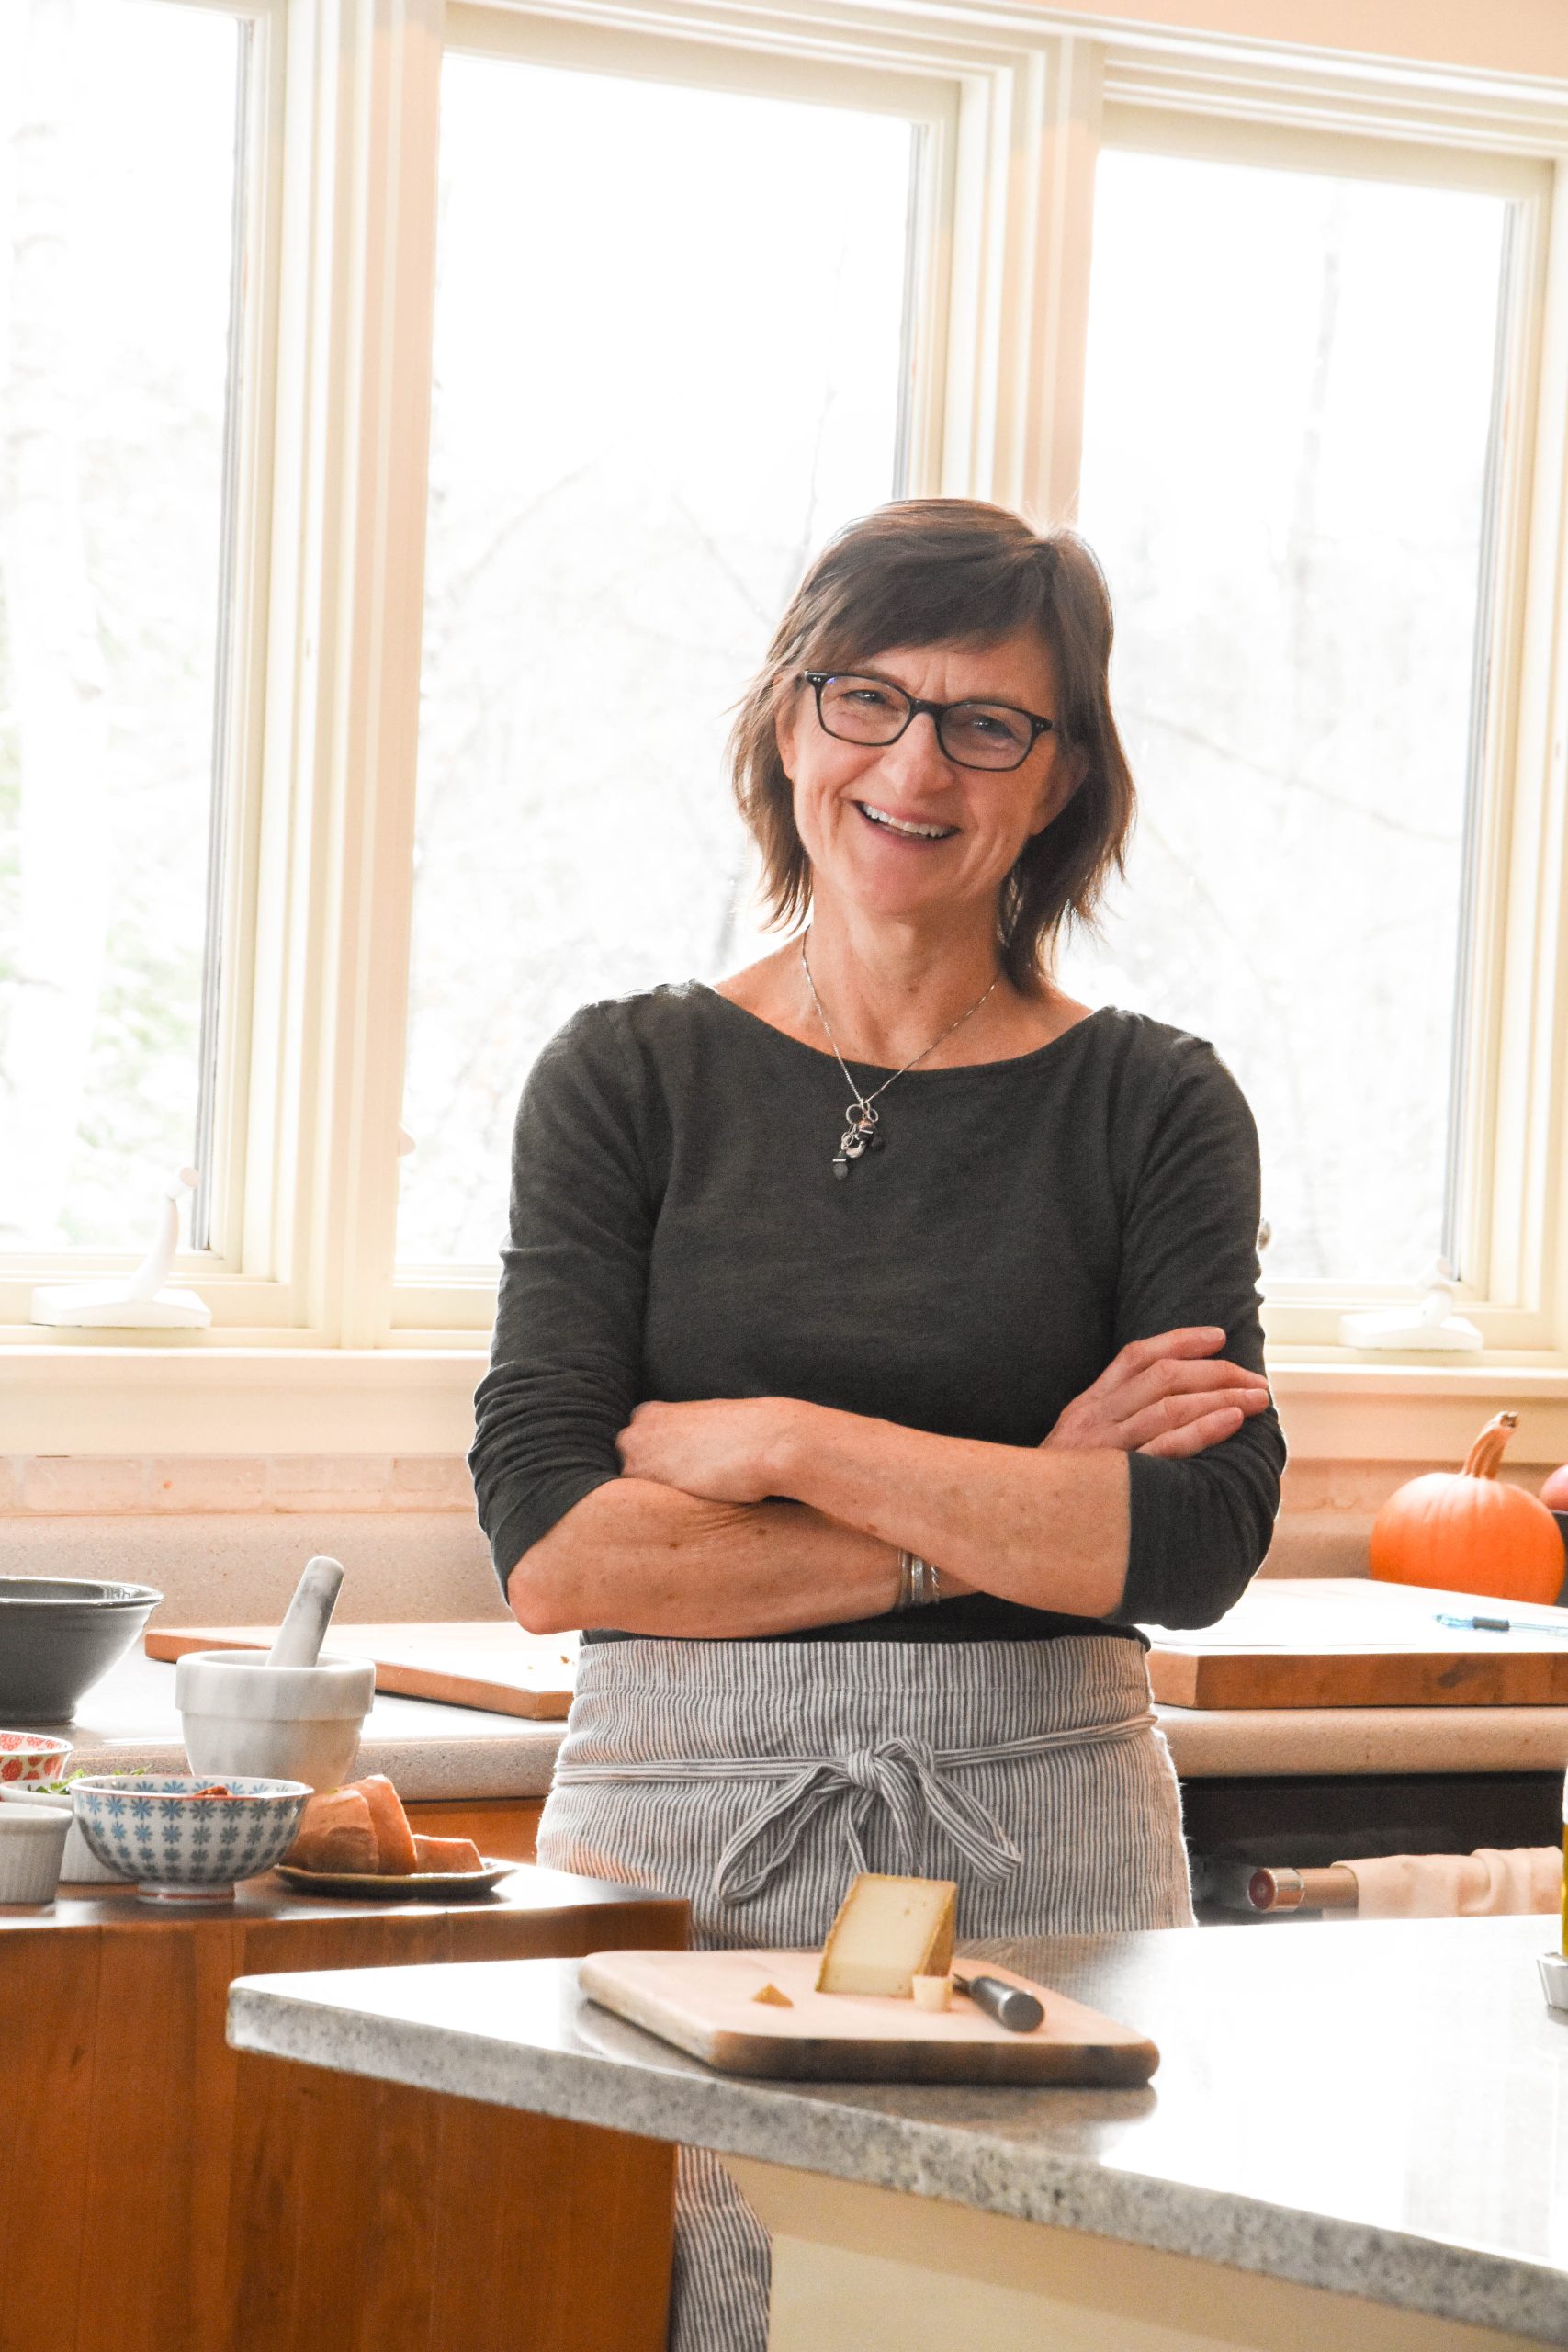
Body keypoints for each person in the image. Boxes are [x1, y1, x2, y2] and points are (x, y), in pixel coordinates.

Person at [469, 496, 1286, 2351]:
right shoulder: (624, 1078)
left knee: (1029, 2320)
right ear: (786, 721)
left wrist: (774, 1434)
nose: (916, 761)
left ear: (1059, 779)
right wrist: (1011, 1502)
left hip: (1051, 1849)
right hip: (673, 1844)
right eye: (869, 698)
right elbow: (557, 1548)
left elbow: (1192, 1538)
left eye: (987, 720)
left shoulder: (1151, 1103)